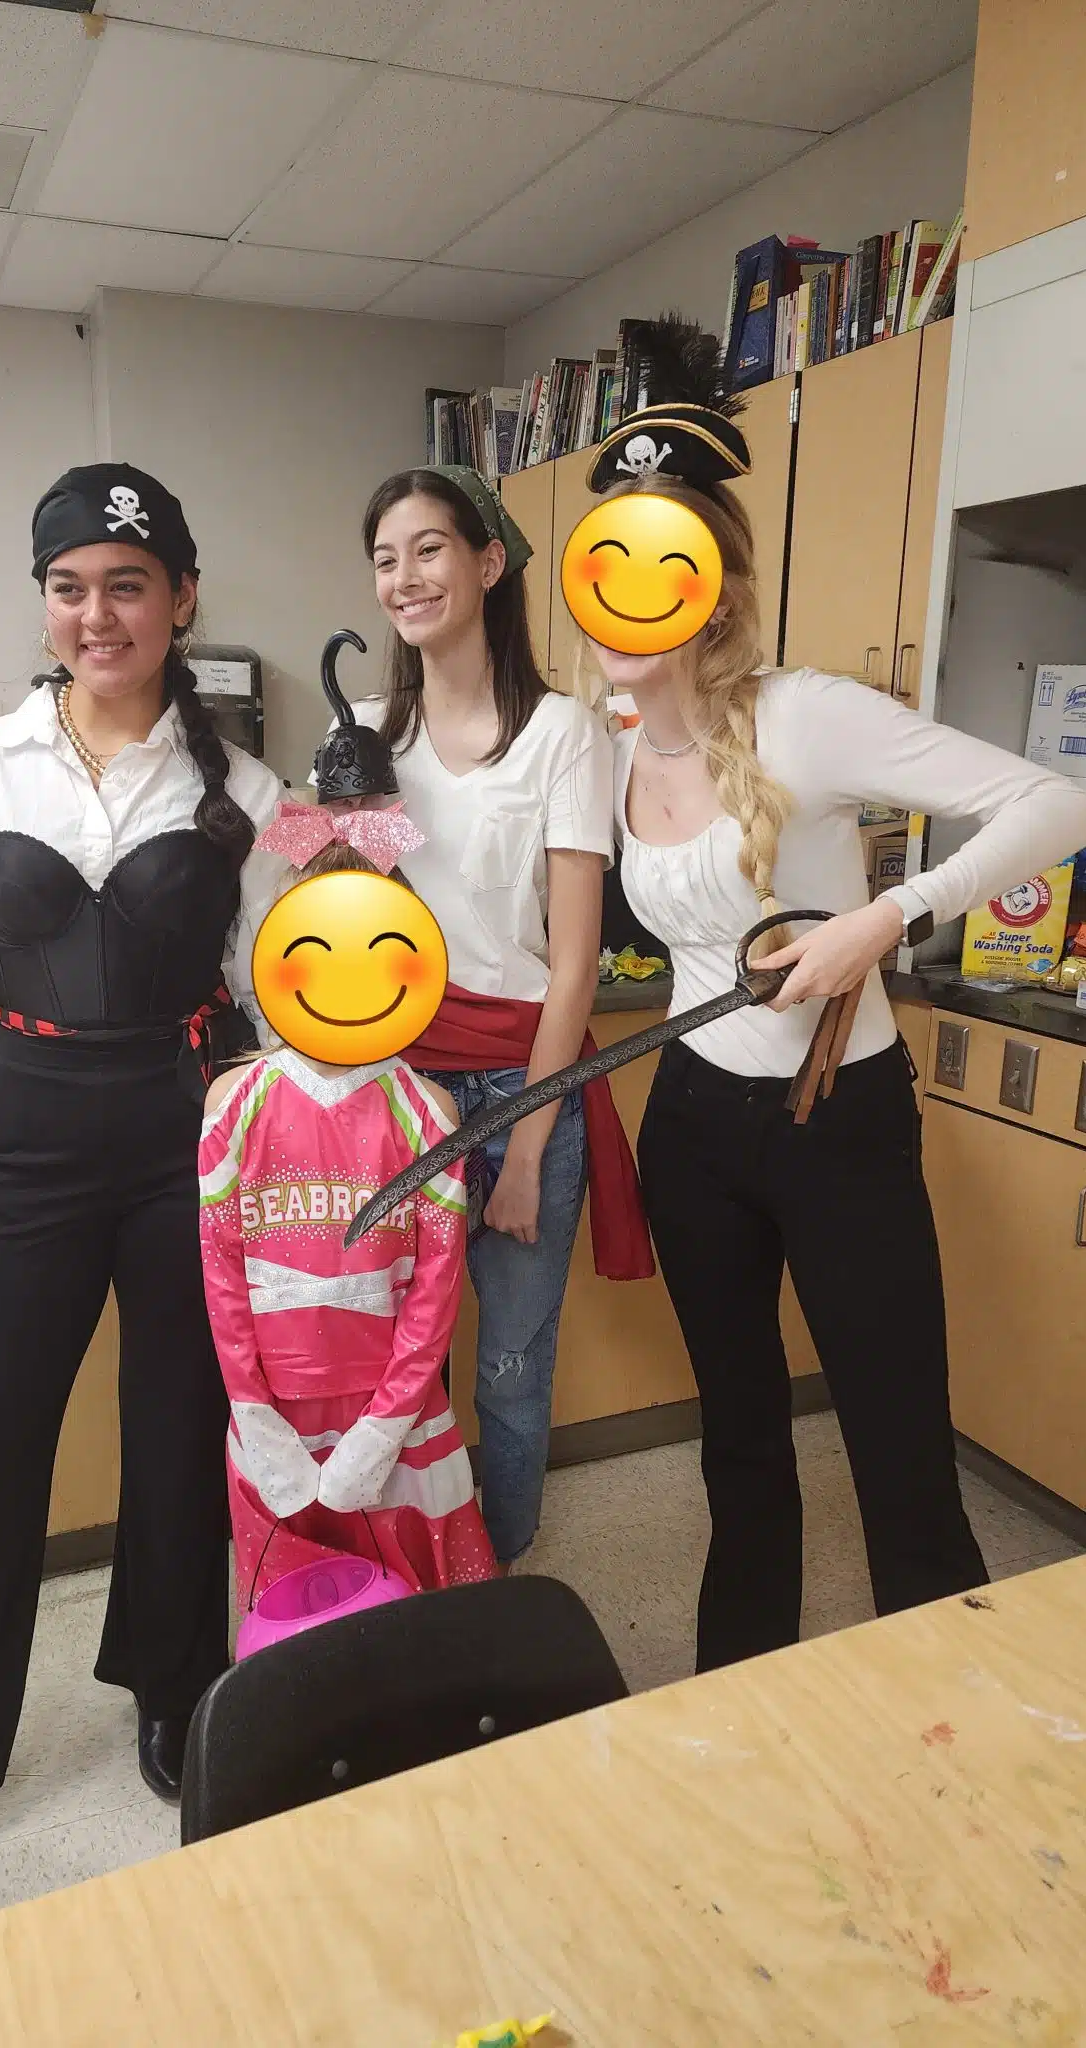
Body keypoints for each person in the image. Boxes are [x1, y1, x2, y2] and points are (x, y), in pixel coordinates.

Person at [0, 463, 282, 1948]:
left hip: (187, 1126)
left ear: (181, 599)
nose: (99, 614)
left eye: (128, 585)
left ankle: (175, 1689)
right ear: (45, 604)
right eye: (71, 587)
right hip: (21, 1131)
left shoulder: (244, 794)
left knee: (180, 1424)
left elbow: (291, 999)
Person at [578, 349, 1086, 1671]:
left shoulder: (804, 716)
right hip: (692, 1124)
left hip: (838, 1121)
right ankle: (742, 1683)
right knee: (740, 1437)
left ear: (715, 585)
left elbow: (1058, 804)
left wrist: (890, 915)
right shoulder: (613, 747)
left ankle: (942, 1707)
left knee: (895, 1439)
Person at [349, 465, 651, 1574]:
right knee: (400, 1364)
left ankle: (499, 1567)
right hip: (400, 1090)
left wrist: (525, 1150)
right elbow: (332, 910)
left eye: (428, 549)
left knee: (512, 1368)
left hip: (527, 1083)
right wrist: (309, 821)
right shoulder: (367, 732)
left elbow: (572, 965)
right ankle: (411, 1558)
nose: (405, 577)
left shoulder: (564, 733)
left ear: (487, 563)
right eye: (385, 558)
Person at [200, 819, 497, 1608]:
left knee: (420, 1612)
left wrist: (384, 1426)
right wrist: (255, 1416)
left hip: (397, 1412)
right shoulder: (233, 1105)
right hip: (275, 1415)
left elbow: (437, 1290)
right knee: (299, 1612)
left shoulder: (428, 1113)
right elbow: (221, 1274)